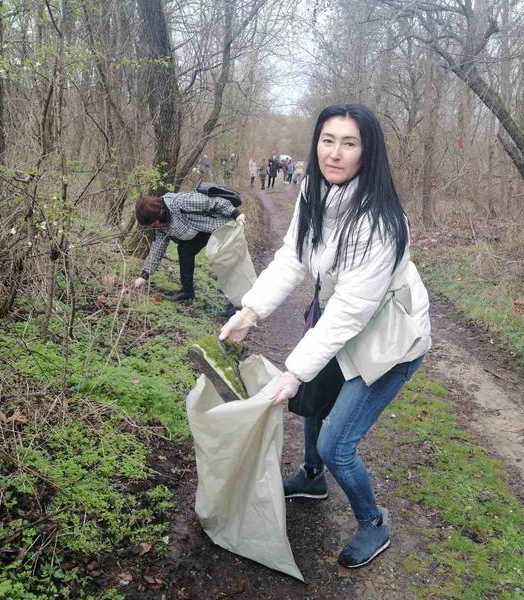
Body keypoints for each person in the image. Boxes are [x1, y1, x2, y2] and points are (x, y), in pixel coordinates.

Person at [219, 104, 431, 568]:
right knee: (312, 400)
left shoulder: (379, 221)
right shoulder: (314, 189)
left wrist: (294, 370)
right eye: (327, 139)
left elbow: (353, 312)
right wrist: (250, 310)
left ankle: (373, 522)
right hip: (341, 320)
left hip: (387, 341)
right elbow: (293, 257)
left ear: (367, 152)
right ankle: (312, 477)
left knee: (338, 442)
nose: (334, 153)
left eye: (349, 143)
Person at [133, 191, 247, 318]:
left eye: (154, 223)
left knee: (225, 260)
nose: (155, 226)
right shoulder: (160, 226)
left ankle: (237, 304)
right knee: (185, 250)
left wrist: (236, 214)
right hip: (200, 232)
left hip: (223, 225)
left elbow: (214, 202)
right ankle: (187, 291)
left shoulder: (181, 202)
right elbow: (157, 249)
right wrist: (144, 275)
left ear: (157, 213)